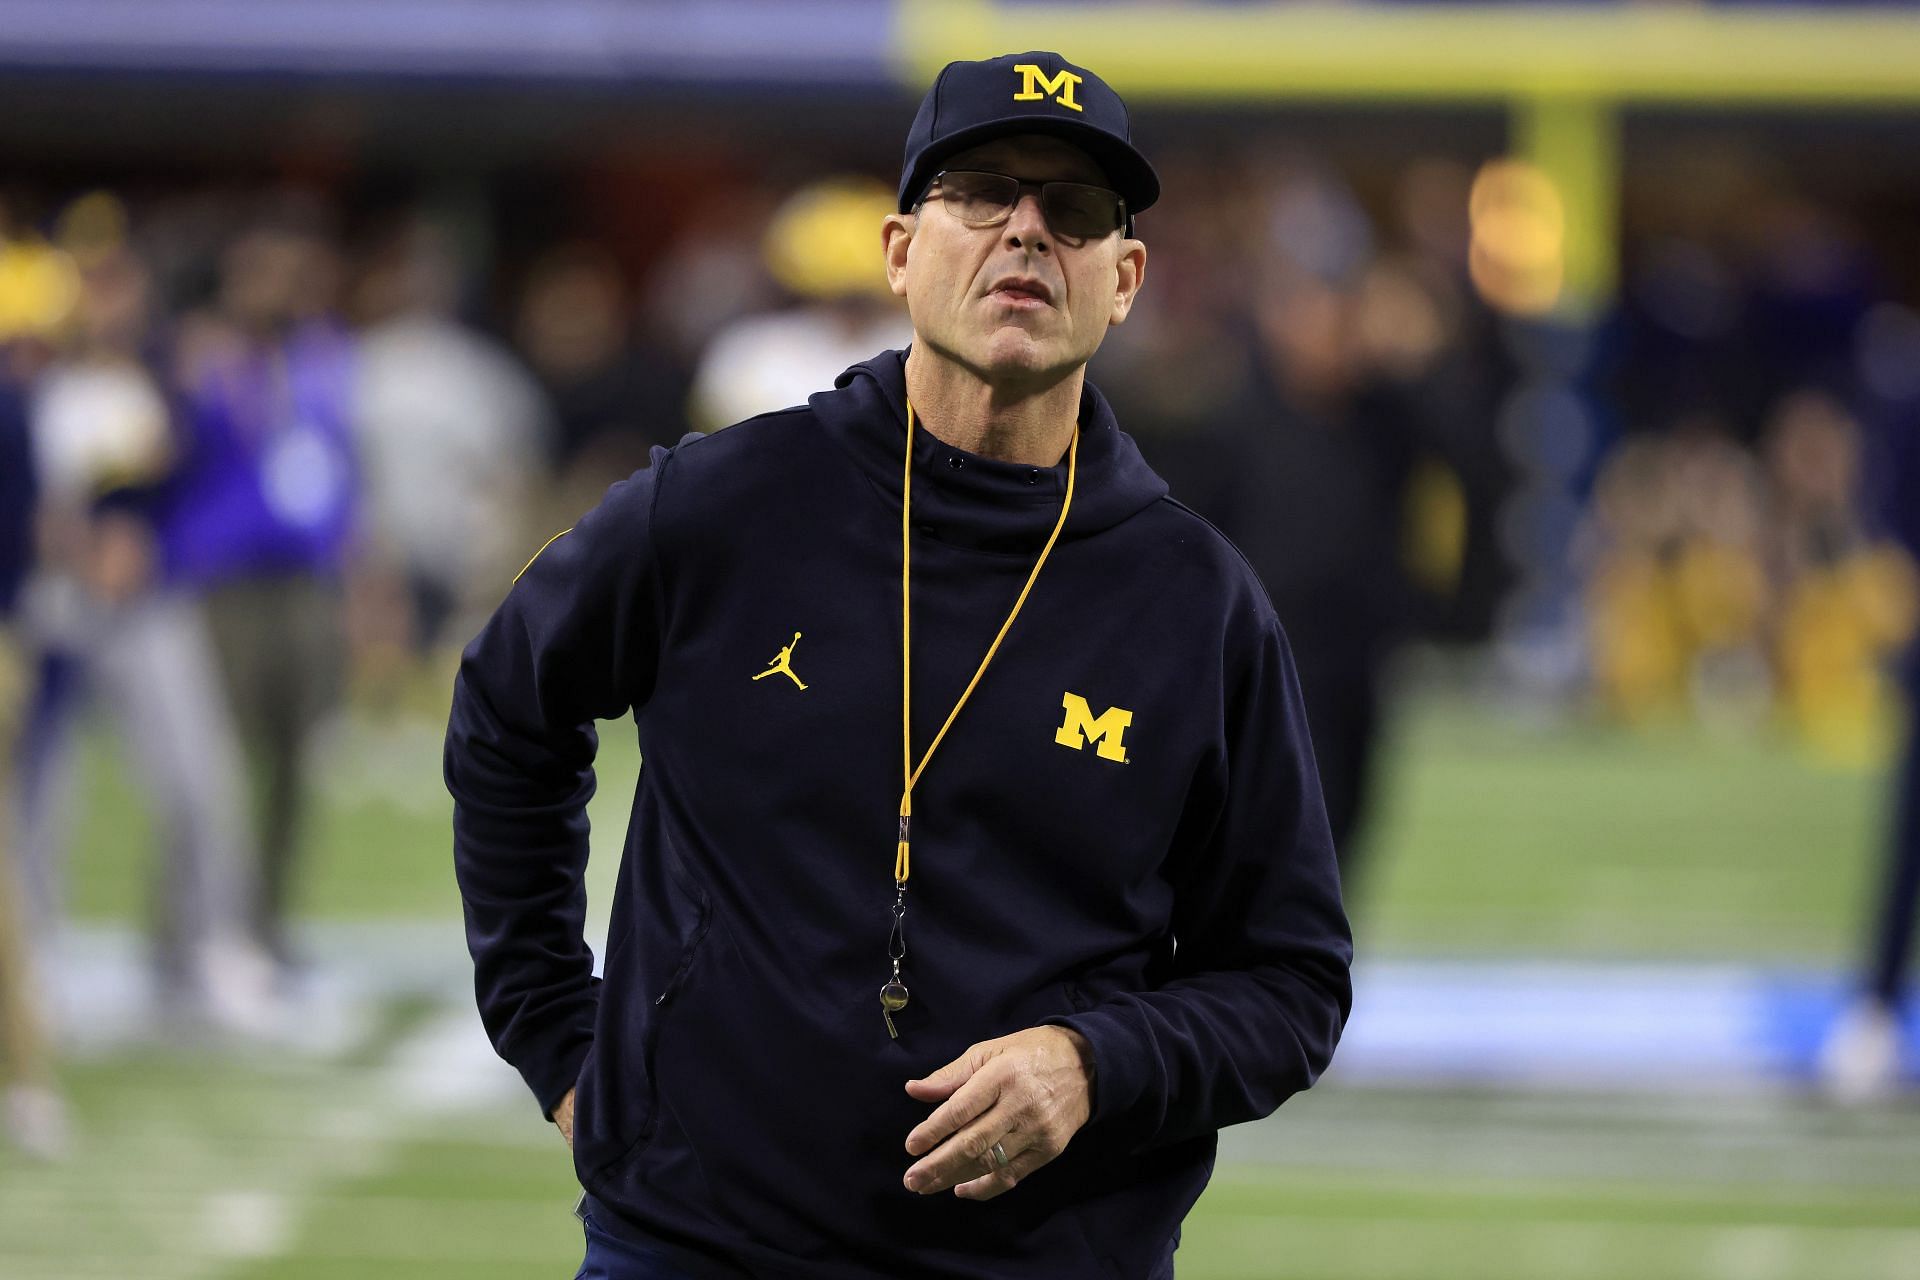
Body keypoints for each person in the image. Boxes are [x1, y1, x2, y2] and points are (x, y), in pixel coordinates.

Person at [448, 51, 1352, 1279]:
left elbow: (1291, 980)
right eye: (982, 191)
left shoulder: (1195, 601)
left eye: (1075, 213)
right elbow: (508, 708)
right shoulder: (720, 505)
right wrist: (555, 1029)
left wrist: (1096, 1062)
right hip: (695, 1241)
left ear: (1125, 279)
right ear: (898, 250)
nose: (1026, 231)